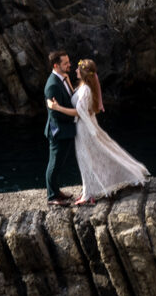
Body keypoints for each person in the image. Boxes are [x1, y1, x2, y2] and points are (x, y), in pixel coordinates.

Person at [47, 59, 149, 205]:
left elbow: (79, 111)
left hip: (83, 129)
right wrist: (68, 82)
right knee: (91, 157)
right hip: (85, 126)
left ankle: (88, 194)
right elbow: (76, 98)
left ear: (82, 73)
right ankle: (89, 191)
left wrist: (58, 108)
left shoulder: (86, 90)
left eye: (77, 69)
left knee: (86, 160)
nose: (74, 70)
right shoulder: (84, 86)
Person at [44, 50, 77, 206]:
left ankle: (56, 191)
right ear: (56, 65)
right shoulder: (52, 85)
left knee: (59, 164)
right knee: (54, 164)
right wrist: (76, 116)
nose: (69, 64)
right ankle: (52, 197)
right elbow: (55, 115)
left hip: (66, 130)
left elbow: (69, 98)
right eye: (65, 63)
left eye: (68, 61)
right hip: (58, 132)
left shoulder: (63, 78)